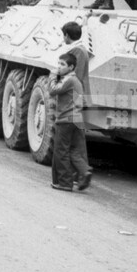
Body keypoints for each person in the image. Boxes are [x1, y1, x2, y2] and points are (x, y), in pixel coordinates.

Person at [48, 52, 91, 192]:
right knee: (73, 150)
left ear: (71, 67)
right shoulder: (76, 81)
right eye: (58, 64)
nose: (59, 67)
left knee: (61, 151)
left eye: (62, 65)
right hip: (77, 119)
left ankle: (65, 183)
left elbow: (53, 90)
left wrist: (52, 76)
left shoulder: (69, 80)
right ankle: (84, 171)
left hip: (66, 119)